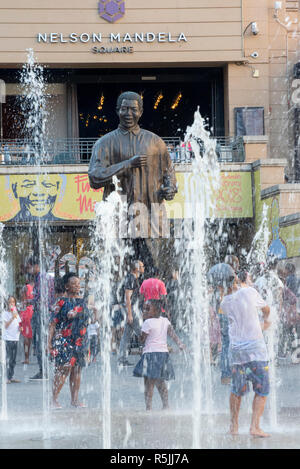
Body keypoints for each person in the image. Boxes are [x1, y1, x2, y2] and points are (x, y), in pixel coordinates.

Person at [88, 91, 177, 239]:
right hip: (118, 218)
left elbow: (169, 173)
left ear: (140, 112)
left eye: (133, 109)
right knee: (118, 261)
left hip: (150, 217)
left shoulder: (155, 142)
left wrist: (170, 188)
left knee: (151, 262)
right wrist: (127, 165)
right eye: (124, 109)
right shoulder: (104, 143)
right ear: (118, 111)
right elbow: (94, 178)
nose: (129, 113)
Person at [220, 273, 271, 438]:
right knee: (261, 389)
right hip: (256, 350)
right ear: (237, 279)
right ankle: (255, 427)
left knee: (236, 390)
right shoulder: (250, 292)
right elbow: (266, 309)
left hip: (237, 353)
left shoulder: (224, 302)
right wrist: (265, 321)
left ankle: (234, 426)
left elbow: (237, 321)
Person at [133, 299, 185, 411]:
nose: (145, 311)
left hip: (150, 355)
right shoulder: (165, 321)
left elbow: (142, 340)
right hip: (162, 354)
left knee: (149, 382)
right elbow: (172, 334)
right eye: (144, 308)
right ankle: (166, 405)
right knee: (160, 381)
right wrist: (180, 344)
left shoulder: (147, 323)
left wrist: (139, 328)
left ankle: (148, 407)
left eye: (148, 309)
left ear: (156, 310)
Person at [48, 273, 90, 409]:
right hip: (65, 340)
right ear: (66, 286)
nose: (77, 286)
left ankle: (75, 400)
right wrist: (48, 342)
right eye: (74, 283)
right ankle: (53, 399)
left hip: (80, 340)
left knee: (77, 370)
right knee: (63, 369)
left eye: (78, 283)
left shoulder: (83, 302)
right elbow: (52, 323)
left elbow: (88, 319)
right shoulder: (60, 302)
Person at [28, 257, 55, 380]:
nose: (29, 270)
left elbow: (41, 298)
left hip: (41, 313)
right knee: (44, 341)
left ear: (36, 266)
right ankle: (45, 368)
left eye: (30, 267)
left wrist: (30, 301)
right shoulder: (48, 277)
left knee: (39, 342)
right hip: (47, 313)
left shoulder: (41, 278)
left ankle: (43, 371)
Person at [118, 260, 142, 366]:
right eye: (141, 266)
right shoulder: (131, 278)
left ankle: (122, 358)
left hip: (132, 309)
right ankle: (148, 356)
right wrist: (130, 314)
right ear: (137, 268)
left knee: (126, 335)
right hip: (132, 309)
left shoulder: (132, 278)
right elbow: (127, 297)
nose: (143, 268)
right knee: (142, 332)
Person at [3, 296, 22, 384]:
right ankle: (6, 377)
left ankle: (11, 376)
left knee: (13, 359)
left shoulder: (16, 313)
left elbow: (18, 324)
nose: (12, 304)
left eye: (13, 302)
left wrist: (20, 328)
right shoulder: (4, 314)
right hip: (8, 339)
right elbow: (6, 326)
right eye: (10, 302)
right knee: (8, 358)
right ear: (7, 304)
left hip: (15, 338)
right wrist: (12, 317)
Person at [19, 278, 34, 364]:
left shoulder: (24, 288)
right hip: (32, 310)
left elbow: (23, 301)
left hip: (26, 312)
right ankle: (28, 356)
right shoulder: (33, 287)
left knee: (25, 336)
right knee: (29, 336)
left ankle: (27, 358)